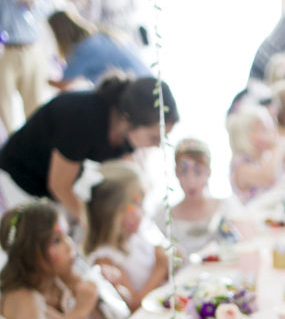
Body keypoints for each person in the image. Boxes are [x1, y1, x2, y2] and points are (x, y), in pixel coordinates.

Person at [0, 75, 178, 229]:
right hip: (19, 178)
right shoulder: (82, 119)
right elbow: (59, 186)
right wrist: (95, 228)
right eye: (154, 138)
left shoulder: (127, 135)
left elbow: (129, 179)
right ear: (127, 121)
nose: (158, 145)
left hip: (59, 180)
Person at [84, 162, 168, 311]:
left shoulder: (139, 235)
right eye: (135, 203)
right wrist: (160, 267)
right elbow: (133, 305)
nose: (141, 210)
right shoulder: (105, 259)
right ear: (113, 213)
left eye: (142, 201)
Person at [157, 138, 236, 260]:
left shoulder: (226, 206)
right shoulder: (164, 216)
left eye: (198, 172)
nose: (191, 181)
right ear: (176, 173)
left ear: (208, 172)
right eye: (183, 172)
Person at [0, 0, 50, 133]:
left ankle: (36, 156)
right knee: (4, 116)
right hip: (3, 52)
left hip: (30, 46)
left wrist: (33, 1)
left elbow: (45, 0)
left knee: (36, 111)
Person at [47, 10, 150, 89]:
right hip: (150, 82)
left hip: (134, 89)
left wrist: (43, 79)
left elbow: (63, 84)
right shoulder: (102, 35)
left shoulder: (83, 49)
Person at [226, 104, 285, 203]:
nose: (271, 133)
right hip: (252, 216)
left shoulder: (262, 157)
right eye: (264, 130)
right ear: (246, 137)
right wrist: (277, 148)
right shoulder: (240, 165)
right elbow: (267, 178)